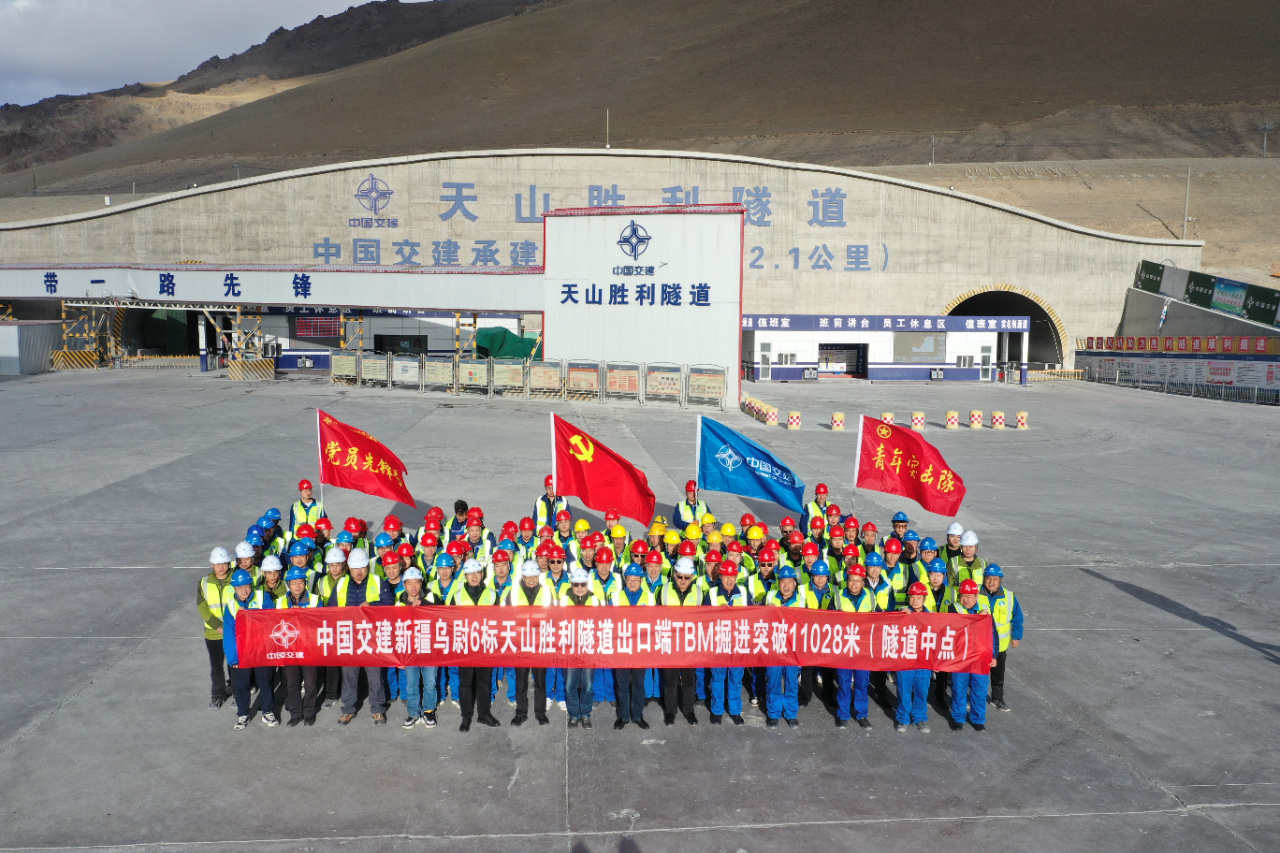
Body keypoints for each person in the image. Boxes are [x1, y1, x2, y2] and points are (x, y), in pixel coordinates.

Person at [327, 548, 393, 726]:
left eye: (362, 567)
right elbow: (331, 609)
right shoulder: (341, 584)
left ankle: (378, 709)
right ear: (348, 567)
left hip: (372, 637)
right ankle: (348, 709)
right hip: (349, 637)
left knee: (375, 676)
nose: (359, 571)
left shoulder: (377, 581)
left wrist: (373, 605)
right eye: (355, 568)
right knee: (349, 676)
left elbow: (389, 603)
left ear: (367, 567)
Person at [222, 569, 279, 730]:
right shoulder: (231, 606)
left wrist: (247, 614)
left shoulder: (263, 597)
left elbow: (269, 619)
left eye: (246, 586)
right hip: (243, 653)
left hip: (261, 651)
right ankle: (243, 713)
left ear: (251, 585)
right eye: (240, 587)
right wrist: (233, 658)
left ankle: (267, 711)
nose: (244, 590)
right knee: (242, 684)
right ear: (234, 588)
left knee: (266, 682)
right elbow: (229, 634)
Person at [453, 559, 500, 732]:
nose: (474, 576)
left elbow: (500, 619)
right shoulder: (457, 596)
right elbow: (450, 620)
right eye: (470, 573)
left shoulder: (492, 594)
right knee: (465, 683)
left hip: (485, 644)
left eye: (477, 572)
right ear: (465, 576)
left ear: (481, 573)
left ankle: (484, 713)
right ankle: (466, 717)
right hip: (465, 645)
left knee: (484, 682)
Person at [397, 567, 445, 729]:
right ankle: (413, 713)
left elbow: (442, 612)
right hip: (410, 651)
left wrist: (423, 604)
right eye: (409, 583)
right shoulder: (399, 602)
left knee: (430, 683)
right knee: (411, 684)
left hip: (429, 649)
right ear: (404, 584)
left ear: (421, 583)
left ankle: (429, 711)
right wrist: (398, 655)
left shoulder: (431, 597)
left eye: (416, 583)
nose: (413, 587)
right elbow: (394, 629)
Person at [947, 579, 997, 731]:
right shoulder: (954, 609)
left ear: (976, 596)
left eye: (969, 596)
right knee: (959, 688)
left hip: (980, 658)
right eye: (962, 596)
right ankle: (958, 718)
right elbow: (957, 629)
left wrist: (994, 655)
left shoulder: (985, 610)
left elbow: (993, 634)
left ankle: (978, 719)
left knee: (979, 690)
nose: (965, 600)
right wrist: (977, 618)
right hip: (961, 657)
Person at [509, 560, 554, 726]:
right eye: (528, 576)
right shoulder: (513, 592)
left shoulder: (546, 592)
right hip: (520, 642)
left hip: (539, 642)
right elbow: (506, 615)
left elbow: (552, 615)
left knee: (540, 680)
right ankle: (521, 713)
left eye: (534, 576)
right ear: (523, 576)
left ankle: (540, 713)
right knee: (521, 680)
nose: (531, 580)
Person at [659, 557, 704, 726]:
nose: (683, 580)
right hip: (670, 642)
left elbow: (705, 619)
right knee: (670, 679)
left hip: (689, 643)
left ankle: (689, 710)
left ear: (692, 577)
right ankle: (670, 711)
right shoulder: (664, 590)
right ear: (674, 574)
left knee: (689, 679)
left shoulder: (699, 592)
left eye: (687, 577)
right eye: (680, 576)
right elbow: (656, 616)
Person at [705, 562, 748, 725]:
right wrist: (716, 612)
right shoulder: (712, 593)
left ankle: (735, 710)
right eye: (726, 576)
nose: (729, 580)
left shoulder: (744, 593)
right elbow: (703, 618)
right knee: (717, 678)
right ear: (720, 576)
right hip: (719, 642)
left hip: (738, 642)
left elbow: (753, 616)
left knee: (736, 678)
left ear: (736, 577)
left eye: (732, 577)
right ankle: (717, 710)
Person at [763, 565, 806, 728]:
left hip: (792, 649)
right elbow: (761, 620)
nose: (786, 586)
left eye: (789, 582)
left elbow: (805, 626)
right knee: (773, 680)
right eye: (782, 582)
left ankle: (791, 713)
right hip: (774, 646)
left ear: (795, 583)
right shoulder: (770, 596)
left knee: (791, 682)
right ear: (778, 583)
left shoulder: (801, 600)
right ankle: (773, 712)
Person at [834, 564, 875, 729]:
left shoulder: (871, 596)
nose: (854, 584)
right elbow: (828, 620)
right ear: (847, 580)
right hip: (844, 647)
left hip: (863, 648)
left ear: (863, 582)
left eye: (858, 581)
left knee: (862, 682)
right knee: (844, 682)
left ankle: (861, 714)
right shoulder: (838, 597)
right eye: (851, 580)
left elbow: (881, 618)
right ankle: (843, 714)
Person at [280, 565, 321, 727]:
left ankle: (309, 712)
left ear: (305, 583)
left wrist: (302, 613)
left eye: (301, 582)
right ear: (288, 584)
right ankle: (295, 714)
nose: (297, 586)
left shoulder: (315, 600)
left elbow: (320, 623)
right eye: (294, 583)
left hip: (309, 648)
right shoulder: (280, 602)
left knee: (310, 683)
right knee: (292, 684)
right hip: (289, 649)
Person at [613, 563, 652, 730]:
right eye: (630, 579)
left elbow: (653, 622)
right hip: (622, 646)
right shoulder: (615, 597)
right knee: (622, 683)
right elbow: (610, 621)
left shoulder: (650, 597)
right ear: (625, 579)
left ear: (641, 580)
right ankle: (623, 716)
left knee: (638, 683)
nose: (633, 583)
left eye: (636, 580)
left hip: (640, 647)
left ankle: (637, 715)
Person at [980, 564, 1023, 713]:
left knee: (998, 673)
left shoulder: (1009, 597)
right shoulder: (976, 595)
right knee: (977, 673)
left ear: (1000, 580)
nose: (991, 582)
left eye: (995, 579)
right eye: (988, 578)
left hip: (1000, 646)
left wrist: (1016, 636)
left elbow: (1017, 617)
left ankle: (997, 698)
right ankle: (974, 697)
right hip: (980, 644)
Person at [560, 568, 599, 728]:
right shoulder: (564, 600)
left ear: (587, 584)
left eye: (583, 584)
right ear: (571, 584)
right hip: (570, 649)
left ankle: (585, 714)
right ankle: (574, 715)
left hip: (588, 649)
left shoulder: (594, 600)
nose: (580, 587)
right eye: (576, 584)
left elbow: (599, 624)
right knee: (570, 685)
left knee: (588, 686)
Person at [198, 546, 235, 709]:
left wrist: (229, 626)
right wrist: (217, 625)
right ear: (211, 564)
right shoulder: (204, 582)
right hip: (213, 633)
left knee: (234, 665)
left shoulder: (236, 579)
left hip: (233, 632)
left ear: (229, 563)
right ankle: (217, 694)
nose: (221, 567)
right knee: (216, 666)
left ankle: (237, 692)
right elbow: (202, 607)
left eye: (224, 563)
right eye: (217, 564)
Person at [894, 582, 933, 734]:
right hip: (905, 659)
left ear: (924, 599)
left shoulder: (931, 617)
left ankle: (919, 718)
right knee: (904, 689)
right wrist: (899, 614)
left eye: (919, 598)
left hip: (924, 660)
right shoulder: (902, 613)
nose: (915, 601)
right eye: (912, 597)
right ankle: (903, 718)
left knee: (922, 690)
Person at [798, 559, 835, 707]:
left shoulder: (834, 590)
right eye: (817, 576)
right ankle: (806, 695)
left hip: (828, 633)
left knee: (828, 666)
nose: (820, 579)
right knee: (807, 667)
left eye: (823, 576)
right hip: (809, 632)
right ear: (812, 576)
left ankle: (828, 695)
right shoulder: (802, 590)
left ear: (827, 576)